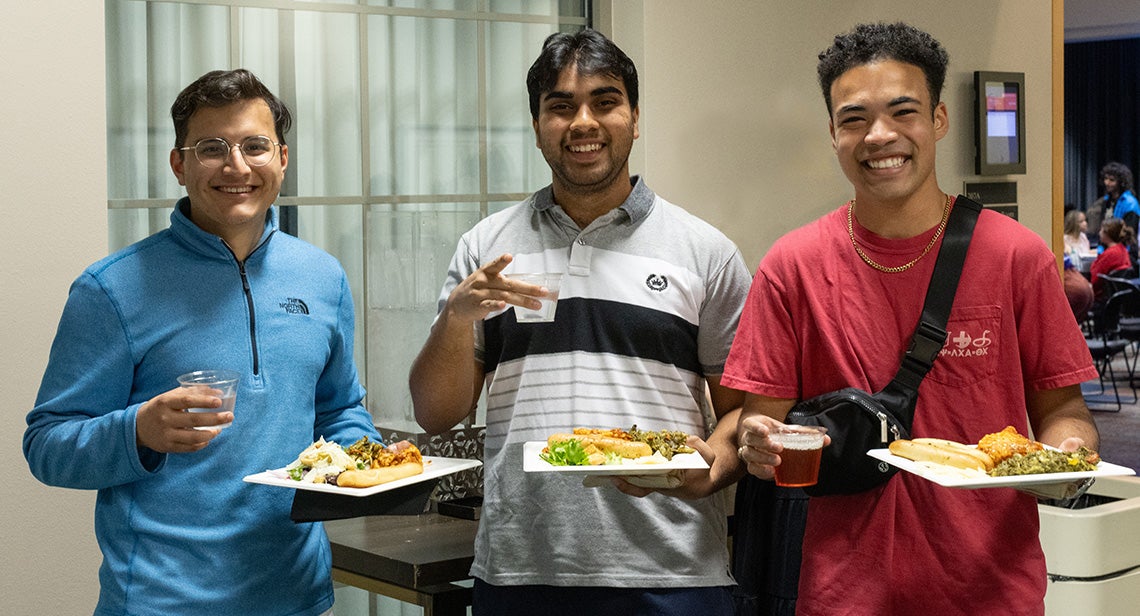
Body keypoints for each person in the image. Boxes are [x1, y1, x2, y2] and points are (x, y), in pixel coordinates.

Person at [725, 22, 1099, 615]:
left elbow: (1063, 411)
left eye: (903, 112)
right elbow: (758, 425)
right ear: (832, 133)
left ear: (939, 120)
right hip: (839, 595)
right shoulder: (791, 266)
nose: (879, 136)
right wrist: (756, 445)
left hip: (991, 593)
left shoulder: (1016, 257)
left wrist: (1067, 453)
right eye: (854, 119)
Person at [408, 28, 751, 616]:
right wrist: (456, 318)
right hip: (522, 568)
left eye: (605, 101)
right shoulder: (487, 248)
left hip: (673, 571)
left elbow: (745, 409)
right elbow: (435, 413)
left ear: (635, 118)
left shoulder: (705, 252)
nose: (583, 122)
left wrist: (711, 470)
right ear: (538, 124)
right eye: (560, 107)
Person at [23, 69, 379, 616]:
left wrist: (369, 458)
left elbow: (338, 408)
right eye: (212, 148)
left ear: (282, 158)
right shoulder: (110, 288)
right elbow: (47, 446)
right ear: (179, 165)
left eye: (255, 146)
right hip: (161, 600)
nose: (237, 166)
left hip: (295, 595)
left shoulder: (322, 277)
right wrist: (138, 429)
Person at [1087, 161, 1139, 239]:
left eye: (1112, 180)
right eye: (1105, 178)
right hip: (1107, 245)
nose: (1107, 183)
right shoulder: (1106, 200)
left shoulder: (1130, 203)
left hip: (1123, 248)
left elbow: (1130, 233)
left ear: (1121, 182)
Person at [1089, 217, 1135, 298]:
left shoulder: (1110, 254)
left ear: (1108, 234)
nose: (1099, 233)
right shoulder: (1122, 249)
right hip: (1114, 298)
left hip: (1100, 297)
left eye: (1101, 230)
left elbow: (1094, 280)